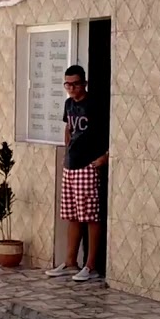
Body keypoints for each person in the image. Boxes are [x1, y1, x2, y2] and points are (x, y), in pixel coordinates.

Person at [46, 64, 109, 283]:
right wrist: (67, 152)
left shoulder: (95, 104)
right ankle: (70, 261)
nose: (71, 89)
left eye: (75, 84)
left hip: (88, 166)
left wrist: (103, 159)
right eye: (67, 84)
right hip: (71, 164)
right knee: (72, 215)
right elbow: (68, 129)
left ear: (84, 83)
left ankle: (91, 265)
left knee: (90, 215)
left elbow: (111, 131)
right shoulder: (68, 104)